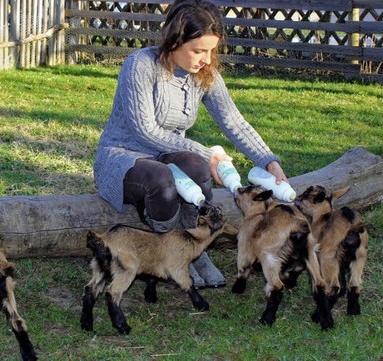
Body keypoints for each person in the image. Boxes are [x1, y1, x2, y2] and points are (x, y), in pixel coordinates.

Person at [93, 0, 290, 289]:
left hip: (168, 155)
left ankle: (194, 251)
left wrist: (269, 162)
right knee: (163, 177)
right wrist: (206, 153)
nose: (207, 59)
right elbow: (145, 130)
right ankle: (172, 253)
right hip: (123, 157)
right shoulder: (140, 65)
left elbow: (234, 122)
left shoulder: (204, 74)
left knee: (195, 166)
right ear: (174, 41)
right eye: (199, 50)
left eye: (211, 50)